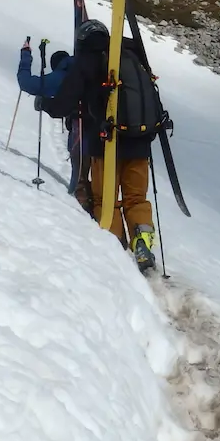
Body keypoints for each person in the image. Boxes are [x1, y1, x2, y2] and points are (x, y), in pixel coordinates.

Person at [41, 19, 156, 271]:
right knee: (136, 197)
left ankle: (118, 254)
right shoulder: (129, 55)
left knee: (106, 200)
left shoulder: (87, 61)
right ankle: (143, 239)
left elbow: (63, 103)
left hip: (106, 143)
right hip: (140, 140)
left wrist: (45, 104)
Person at [15, 38, 91, 214]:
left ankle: (79, 208)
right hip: (106, 129)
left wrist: (25, 55)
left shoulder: (61, 75)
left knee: (79, 172)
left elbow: (27, 83)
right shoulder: (86, 69)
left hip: (81, 128)